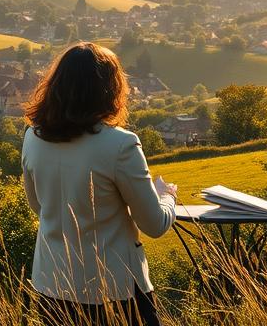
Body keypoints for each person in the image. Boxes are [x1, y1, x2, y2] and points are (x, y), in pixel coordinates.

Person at [22, 42, 177, 326]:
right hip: (114, 292)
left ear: (56, 84)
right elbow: (154, 225)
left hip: (53, 287)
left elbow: (38, 206)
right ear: (111, 89)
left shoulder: (33, 137)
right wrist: (166, 197)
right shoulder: (121, 145)